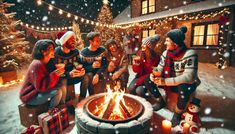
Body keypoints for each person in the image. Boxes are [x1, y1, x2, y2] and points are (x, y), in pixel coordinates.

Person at [150, 26, 201, 126]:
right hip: (170, 80)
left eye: (167, 40)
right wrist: (153, 73)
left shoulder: (190, 54)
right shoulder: (166, 53)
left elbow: (189, 77)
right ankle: (161, 101)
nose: (165, 43)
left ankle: (177, 114)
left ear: (175, 43)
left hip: (185, 83)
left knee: (184, 89)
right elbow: (159, 69)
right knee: (148, 80)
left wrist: (165, 81)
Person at [20, 39, 66, 109]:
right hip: (30, 96)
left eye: (53, 49)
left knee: (62, 86)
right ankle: (51, 110)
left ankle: (61, 107)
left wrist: (56, 73)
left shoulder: (47, 62)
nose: (54, 51)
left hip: (38, 92)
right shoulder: (37, 64)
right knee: (57, 92)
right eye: (51, 49)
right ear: (43, 51)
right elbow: (40, 87)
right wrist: (55, 74)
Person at [54, 31, 85, 101]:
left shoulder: (75, 52)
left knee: (86, 76)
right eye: (71, 39)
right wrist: (69, 74)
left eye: (74, 39)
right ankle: (63, 105)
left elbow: (78, 63)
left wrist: (81, 71)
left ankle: (82, 99)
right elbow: (55, 72)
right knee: (63, 81)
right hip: (61, 77)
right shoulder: (56, 53)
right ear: (64, 41)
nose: (74, 41)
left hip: (73, 76)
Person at [79, 32, 107, 101]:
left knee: (91, 76)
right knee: (87, 76)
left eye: (99, 40)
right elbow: (82, 68)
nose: (99, 42)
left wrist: (97, 74)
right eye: (97, 41)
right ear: (90, 42)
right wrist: (92, 67)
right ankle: (83, 98)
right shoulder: (84, 53)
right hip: (89, 73)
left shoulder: (102, 50)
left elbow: (104, 65)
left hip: (100, 73)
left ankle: (94, 97)